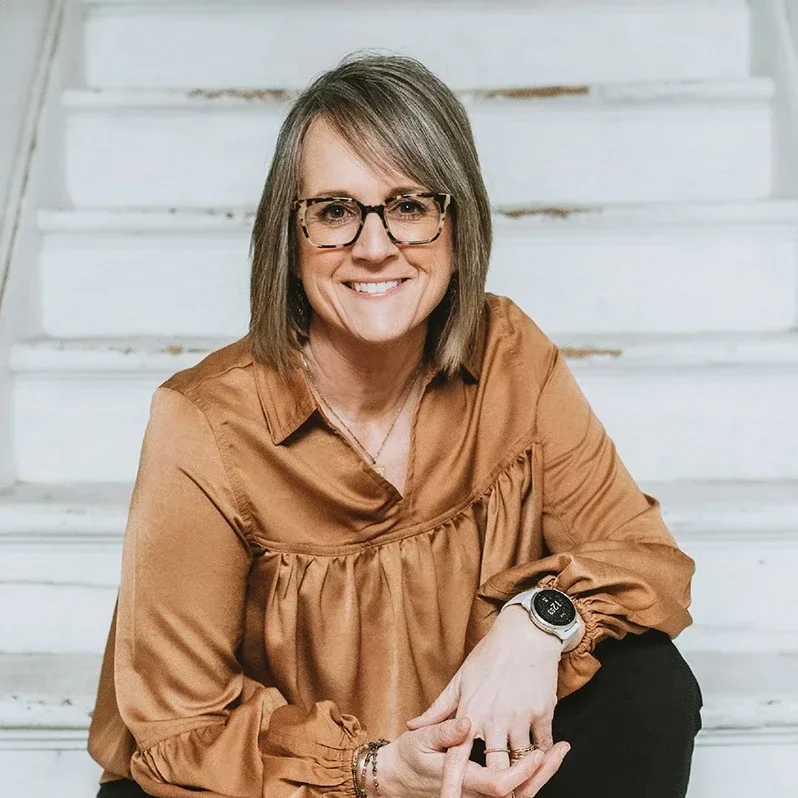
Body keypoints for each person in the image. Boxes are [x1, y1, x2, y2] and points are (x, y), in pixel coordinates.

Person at [87, 52, 703, 798]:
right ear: (292, 234)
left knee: (649, 684)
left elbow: (644, 558)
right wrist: (368, 769)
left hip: (468, 763)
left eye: (409, 205)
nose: (374, 246)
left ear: (456, 221)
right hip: (291, 786)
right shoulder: (205, 422)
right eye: (336, 211)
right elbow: (177, 724)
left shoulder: (507, 352)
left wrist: (539, 622)